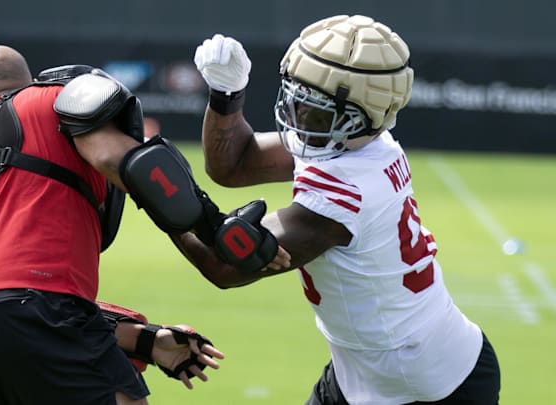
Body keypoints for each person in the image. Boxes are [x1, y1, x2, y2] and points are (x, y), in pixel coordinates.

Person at [0, 45, 287, 405]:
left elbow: (1, 303)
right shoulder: (49, 99)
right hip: (43, 309)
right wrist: (217, 229)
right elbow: (131, 164)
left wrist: (147, 341)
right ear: (26, 80)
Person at [175, 15, 501, 404]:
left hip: (429, 386)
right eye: (296, 96)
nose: (296, 116)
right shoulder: (361, 142)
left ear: (356, 114)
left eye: (313, 109)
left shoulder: (346, 189)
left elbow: (223, 266)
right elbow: (234, 165)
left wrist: (156, 191)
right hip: (374, 368)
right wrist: (227, 93)